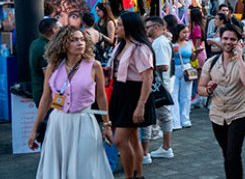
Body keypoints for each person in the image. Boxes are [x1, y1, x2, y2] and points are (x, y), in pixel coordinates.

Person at [28, 27, 114, 179]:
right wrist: (35, 129)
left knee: (84, 167)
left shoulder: (94, 65)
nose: (79, 43)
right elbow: (46, 98)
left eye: (81, 39)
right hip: (58, 122)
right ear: (63, 44)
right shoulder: (53, 67)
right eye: (74, 40)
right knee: (58, 166)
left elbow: (101, 97)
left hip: (84, 121)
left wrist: (107, 125)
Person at [197, 24, 245, 179]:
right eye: (225, 38)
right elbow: (200, 89)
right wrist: (209, 89)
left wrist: (239, 59)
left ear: (239, 41)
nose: (228, 42)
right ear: (220, 40)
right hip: (217, 115)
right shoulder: (211, 62)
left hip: (238, 113)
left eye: (232, 39)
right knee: (226, 153)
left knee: (233, 154)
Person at [109, 11, 157, 179]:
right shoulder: (121, 44)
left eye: (120, 25)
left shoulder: (141, 48)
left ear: (130, 27)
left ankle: (131, 176)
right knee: (132, 138)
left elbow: (148, 78)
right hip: (121, 92)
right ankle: (138, 175)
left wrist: (140, 105)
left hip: (135, 95)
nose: (117, 28)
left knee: (120, 140)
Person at [144, 16, 174, 160]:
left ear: (156, 27)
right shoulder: (159, 42)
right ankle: (165, 147)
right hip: (160, 85)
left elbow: (163, 66)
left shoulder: (159, 43)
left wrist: (147, 68)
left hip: (159, 86)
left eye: (148, 27)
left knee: (163, 116)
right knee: (162, 116)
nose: (146, 29)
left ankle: (166, 147)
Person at [29, 18, 61, 107]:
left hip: (39, 92)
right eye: (59, 27)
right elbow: (49, 75)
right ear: (53, 30)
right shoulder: (46, 48)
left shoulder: (35, 43)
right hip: (47, 96)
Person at [170, 23, 196, 129]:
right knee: (174, 95)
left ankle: (185, 119)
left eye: (187, 32)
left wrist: (198, 52)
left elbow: (193, 58)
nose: (186, 34)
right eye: (183, 32)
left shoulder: (190, 43)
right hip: (174, 69)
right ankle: (176, 122)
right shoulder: (171, 43)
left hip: (187, 68)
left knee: (186, 95)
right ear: (178, 32)